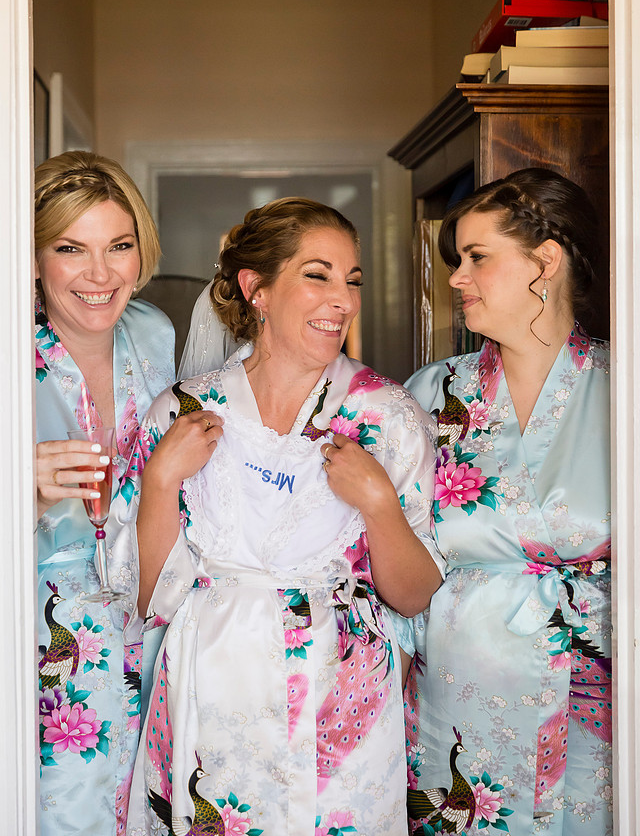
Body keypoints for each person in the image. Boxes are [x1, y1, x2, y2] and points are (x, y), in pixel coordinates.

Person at [113, 197, 444, 835]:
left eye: (352, 280)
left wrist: (378, 503)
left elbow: (414, 595)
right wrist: (160, 480)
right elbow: (148, 597)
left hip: (339, 705)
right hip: (212, 690)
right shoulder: (184, 411)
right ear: (255, 288)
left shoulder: (386, 416)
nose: (342, 300)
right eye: (318, 275)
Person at [403, 168, 611, 836]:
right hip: (459, 700)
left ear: (544, 262)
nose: (456, 278)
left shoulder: (624, 388)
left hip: (596, 693)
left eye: (477, 257)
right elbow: (394, 560)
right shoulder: (430, 396)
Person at [35, 151, 175, 835]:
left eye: (118, 246)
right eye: (70, 249)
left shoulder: (154, 333)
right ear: (33, 257)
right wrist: (22, 495)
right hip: (41, 642)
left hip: (148, 625)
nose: (100, 275)